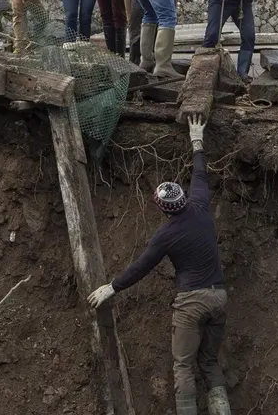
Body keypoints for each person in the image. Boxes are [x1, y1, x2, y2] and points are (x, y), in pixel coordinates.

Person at [87, 116, 231, 415]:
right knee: (209, 361)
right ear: (183, 198)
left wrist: (111, 287)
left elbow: (141, 266)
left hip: (192, 302)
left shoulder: (165, 235)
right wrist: (196, 140)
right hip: (219, 298)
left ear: (161, 207)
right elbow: (201, 174)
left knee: (183, 366)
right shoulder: (200, 205)